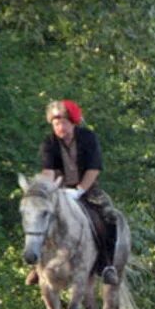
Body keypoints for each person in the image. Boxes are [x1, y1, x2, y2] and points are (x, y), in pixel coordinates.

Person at [28, 99, 119, 286]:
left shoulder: (88, 137)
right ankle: (37, 265)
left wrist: (79, 191)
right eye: (55, 123)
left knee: (109, 216)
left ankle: (106, 264)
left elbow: (94, 168)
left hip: (87, 188)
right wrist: (49, 191)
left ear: (72, 122)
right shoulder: (49, 143)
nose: (59, 127)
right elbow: (48, 172)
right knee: (40, 215)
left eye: (63, 122)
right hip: (59, 191)